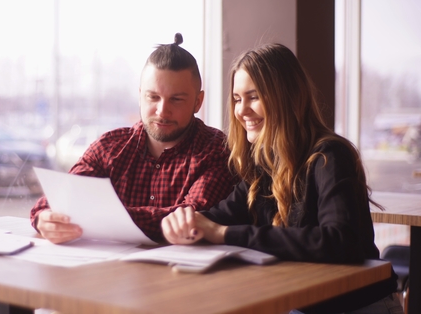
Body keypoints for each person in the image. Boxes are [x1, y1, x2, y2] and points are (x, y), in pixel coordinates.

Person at [161, 44, 403, 314]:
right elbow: (221, 216)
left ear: (285, 97)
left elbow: (338, 241)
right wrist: (186, 222)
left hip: (361, 306)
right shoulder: (263, 165)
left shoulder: (330, 156)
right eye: (237, 99)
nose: (241, 110)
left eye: (253, 97)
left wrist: (224, 234)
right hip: (303, 304)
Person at [30, 33, 236, 243]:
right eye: (153, 97)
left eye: (176, 99)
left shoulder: (217, 150)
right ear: (140, 95)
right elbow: (64, 196)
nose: (162, 111)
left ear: (198, 101)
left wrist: (97, 216)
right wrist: (45, 216)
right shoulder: (109, 147)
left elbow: (190, 218)